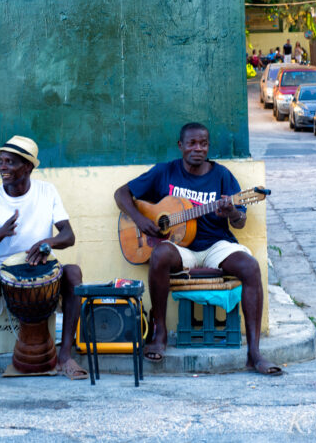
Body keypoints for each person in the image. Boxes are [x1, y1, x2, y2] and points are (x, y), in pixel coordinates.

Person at [113, 123, 282, 376]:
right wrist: (140, 220)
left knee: (250, 266)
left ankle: (254, 353)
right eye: (192, 143)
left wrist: (232, 211)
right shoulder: (164, 172)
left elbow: (240, 221)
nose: (198, 148)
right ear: (180, 146)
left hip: (215, 245)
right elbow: (121, 193)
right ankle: (159, 334)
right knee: (159, 253)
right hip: (180, 249)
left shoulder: (222, 176)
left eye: (203, 143)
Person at [0, 135, 87, 385]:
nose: (2, 168)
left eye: (9, 162)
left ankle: (65, 355)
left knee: (73, 272)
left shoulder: (47, 191)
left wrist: (48, 243)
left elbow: (68, 235)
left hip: (40, 267)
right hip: (4, 273)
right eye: (0, 162)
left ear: (28, 167)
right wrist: (0, 233)